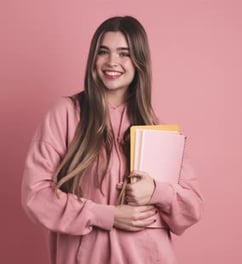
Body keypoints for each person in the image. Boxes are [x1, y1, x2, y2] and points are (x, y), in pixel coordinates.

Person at [21, 16, 203, 264]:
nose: (112, 62)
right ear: (93, 59)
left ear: (139, 62)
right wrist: (107, 215)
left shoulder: (155, 127)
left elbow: (192, 206)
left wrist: (156, 191)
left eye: (124, 53)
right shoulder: (66, 114)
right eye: (103, 52)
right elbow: (37, 196)